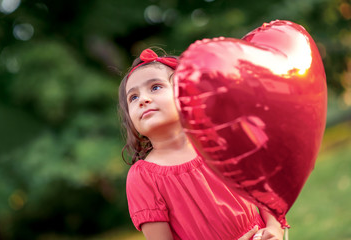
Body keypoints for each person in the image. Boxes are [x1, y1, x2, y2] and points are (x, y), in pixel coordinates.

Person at [118, 48, 284, 240]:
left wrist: (274, 228)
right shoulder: (143, 178)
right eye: (133, 97)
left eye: (155, 87)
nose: (143, 100)